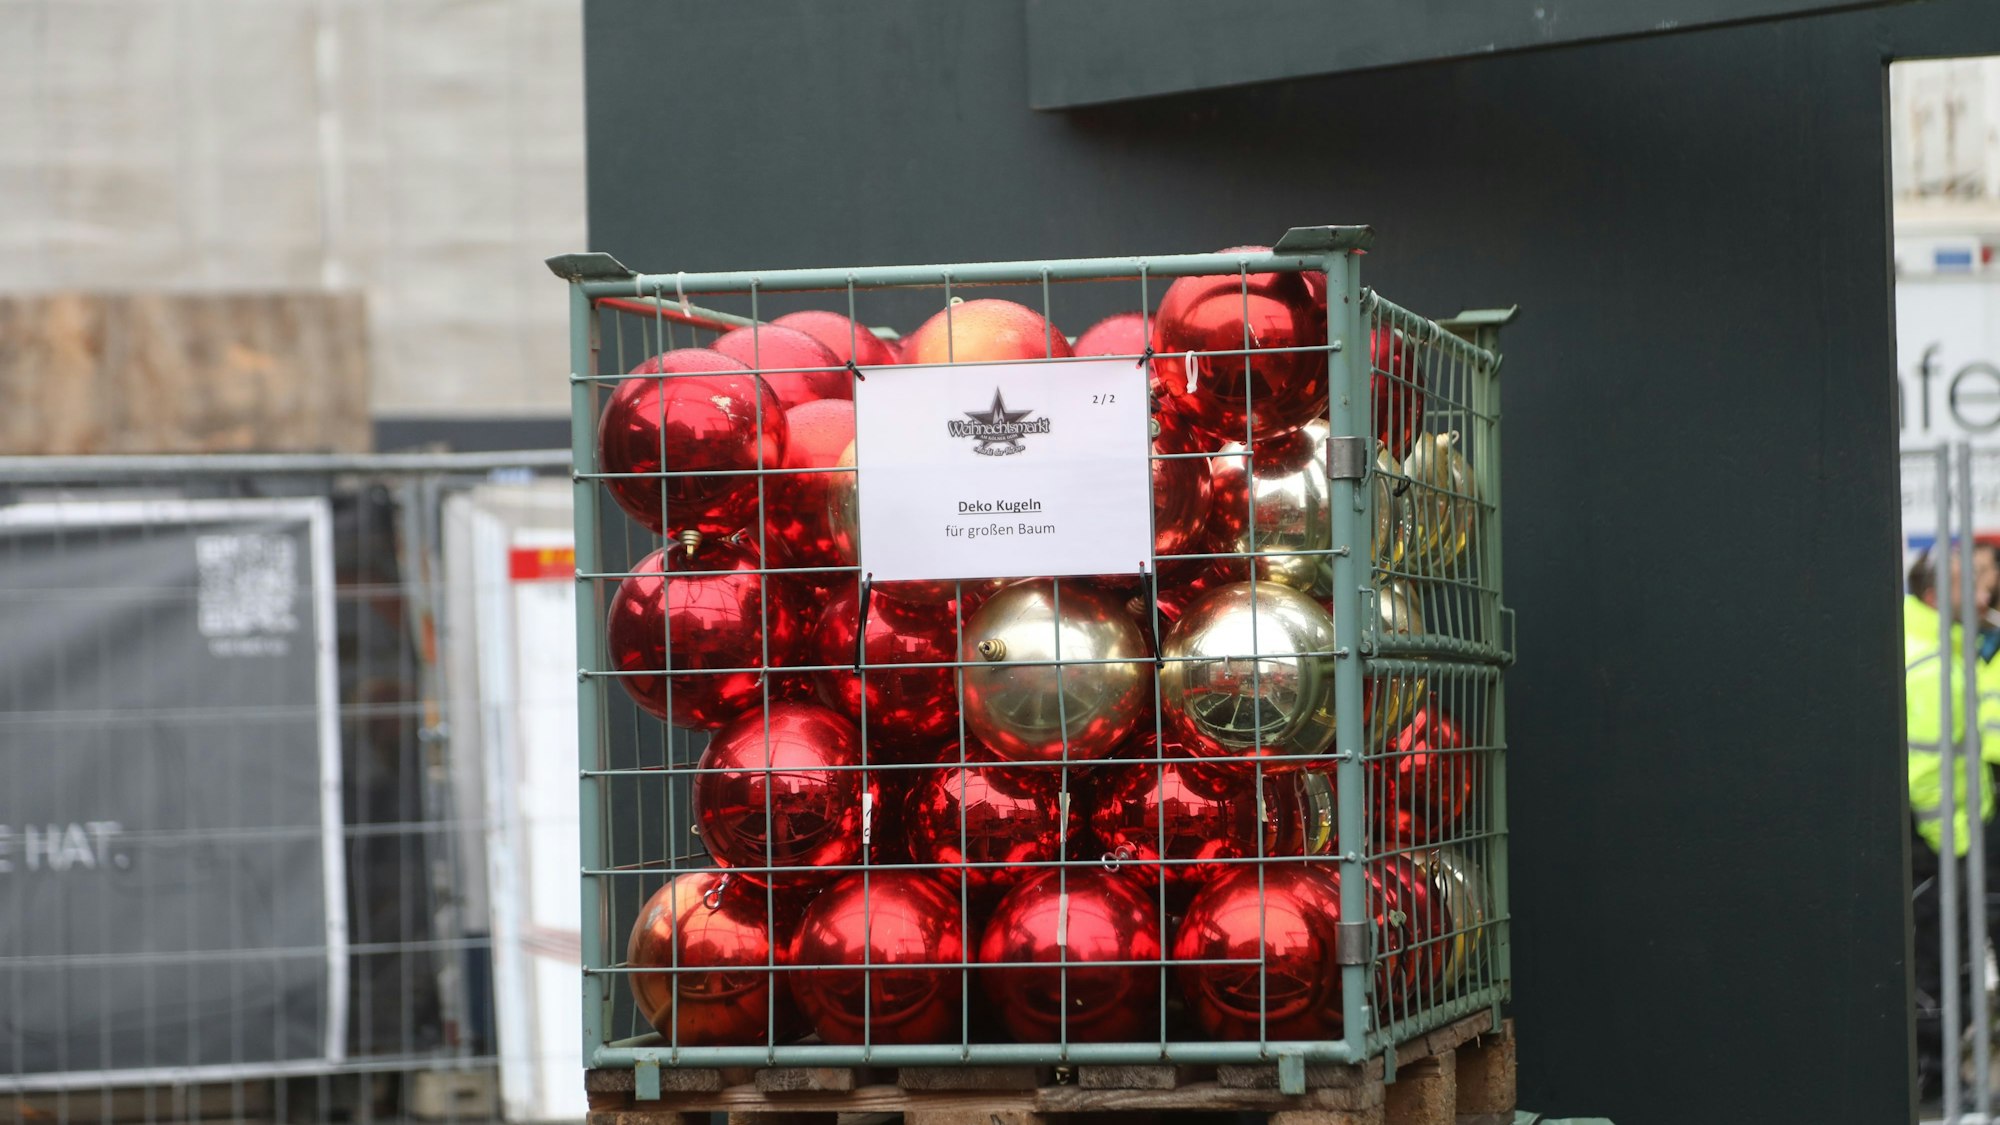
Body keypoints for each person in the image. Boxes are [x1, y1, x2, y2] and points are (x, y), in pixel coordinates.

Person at [1908, 543, 2000, 1099]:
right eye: (1976, 585)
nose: (1987, 595)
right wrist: (1959, 845)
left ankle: (1939, 1072)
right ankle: (1934, 1076)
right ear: (1938, 595)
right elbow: (1926, 774)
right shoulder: (1931, 663)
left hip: (1949, 838)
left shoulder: (1935, 646)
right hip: (1940, 844)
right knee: (1938, 959)